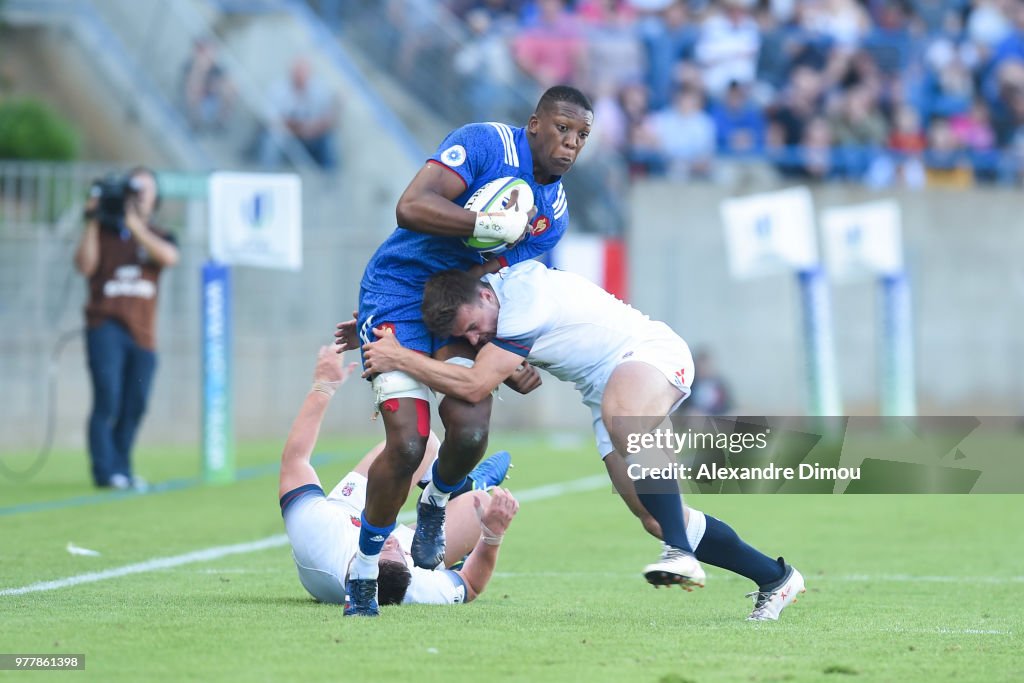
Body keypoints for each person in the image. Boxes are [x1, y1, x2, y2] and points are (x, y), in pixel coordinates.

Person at [343, 261, 805, 621]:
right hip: (606, 390)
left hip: (646, 355)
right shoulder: (495, 311)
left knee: (625, 418)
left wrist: (399, 356)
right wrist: (369, 324)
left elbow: (473, 386)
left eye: (474, 325)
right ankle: (775, 578)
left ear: (486, 293)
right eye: (464, 336)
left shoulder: (524, 297)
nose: (475, 337)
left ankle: (680, 554)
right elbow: (486, 359)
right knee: (655, 518)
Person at [345, 85, 593, 616]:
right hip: (397, 294)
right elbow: (410, 207)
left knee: (472, 430)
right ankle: (366, 569)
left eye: (581, 136)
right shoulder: (485, 144)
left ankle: (436, 501)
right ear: (534, 124)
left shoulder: (554, 215)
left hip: (457, 309)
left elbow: (497, 290)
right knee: (409, 445)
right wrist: (483, 223)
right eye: (562, 129)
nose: (570, 144)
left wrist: (511, 357)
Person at [279, 347, 518, 611]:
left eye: (385, 549)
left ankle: (454, 487)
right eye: (401, 554)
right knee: (480, 505)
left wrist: (324, 386)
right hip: (400, 557)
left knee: (419, 446)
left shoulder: (318, 532)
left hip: (347, 513)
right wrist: (493, 535)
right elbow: (470, 584)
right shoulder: (412, 586)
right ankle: (464, 488)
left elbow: (295, 460)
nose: (391, 540)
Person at [74, 167, 179, 490]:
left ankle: (122, 466)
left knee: (136, 402)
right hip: (105, 325)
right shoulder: (103, 233)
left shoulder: (158, 235)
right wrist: (93, 219)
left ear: (155, 199)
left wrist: (135, 225)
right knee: (108, 396)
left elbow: (169, 257)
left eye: (145, 191)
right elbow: (84, 266)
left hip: (143, 334)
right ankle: (105, 472)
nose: (139, 196)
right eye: (134, 190)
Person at [260, 57, 340, 171]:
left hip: (312, 135)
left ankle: (330, 179)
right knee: (272, 139)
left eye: (304, 73)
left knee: (329, 141)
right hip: (286, 134)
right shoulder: (278, 89)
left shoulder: (320, 90)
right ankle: (267, 174)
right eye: (298, 72)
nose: (300, 77)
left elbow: (328, 118)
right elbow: (272, 119)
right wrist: (297, 127)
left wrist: (312, 129)